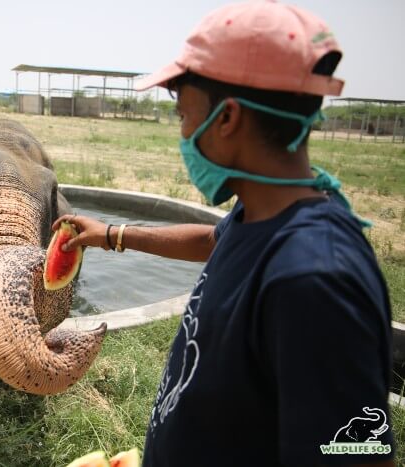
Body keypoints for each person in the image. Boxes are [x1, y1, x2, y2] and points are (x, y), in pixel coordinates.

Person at [52, 1, 395, 466]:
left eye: (183, 115)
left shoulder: (316, 279)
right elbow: (216, 242)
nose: (183, 132)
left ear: (228, 118)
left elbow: (356, 455)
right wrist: (113, 234)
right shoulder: (263, 213)